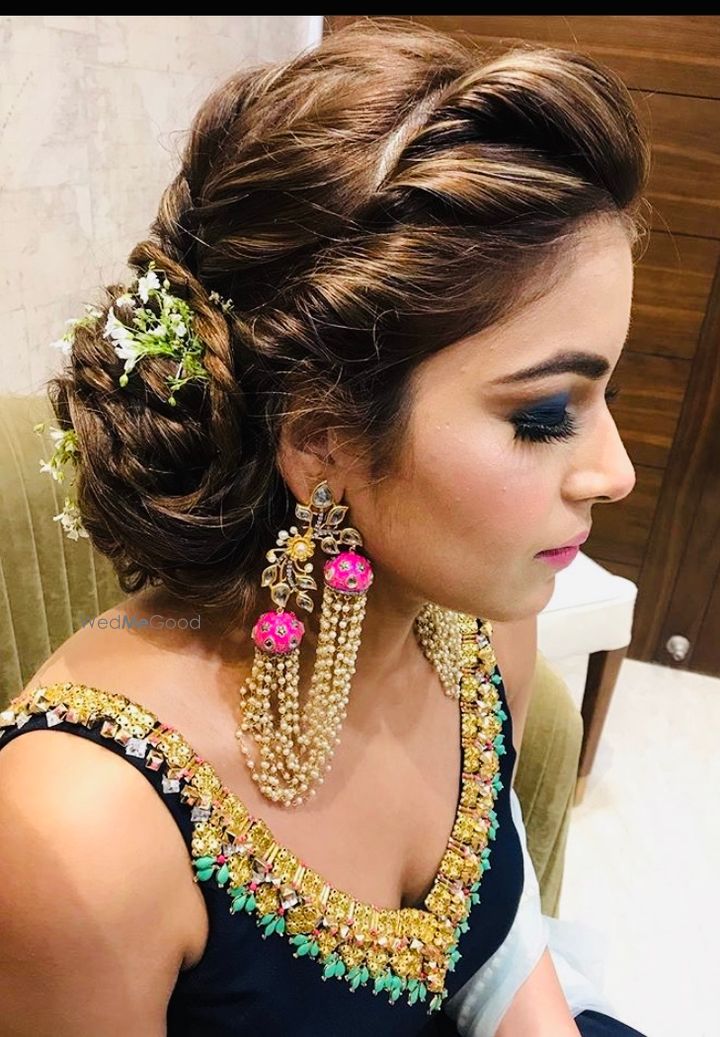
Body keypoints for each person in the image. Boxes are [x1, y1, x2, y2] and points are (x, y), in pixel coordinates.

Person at [0, 17, 651, 1036]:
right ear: (320, 440)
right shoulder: (84, 829)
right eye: (542, 414)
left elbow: (501, 947)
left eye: (606, 390)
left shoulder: (485, 631)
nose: (616, 472)